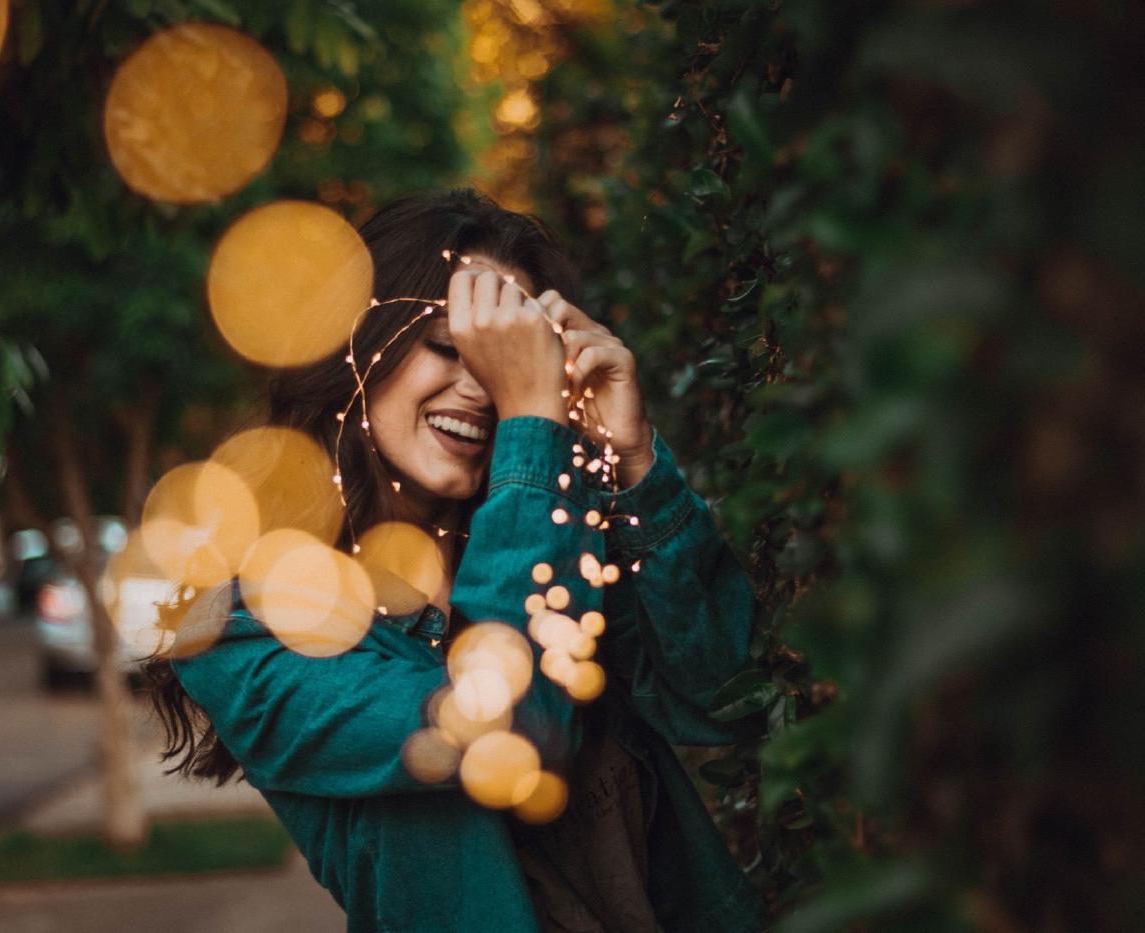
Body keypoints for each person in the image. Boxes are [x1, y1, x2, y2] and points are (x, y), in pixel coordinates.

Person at [144, 189, 765, 932]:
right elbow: (507, 726)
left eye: (509, 362)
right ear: (357, 346)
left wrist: (633, 461)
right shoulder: (250, 624)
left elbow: (729, 695)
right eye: (449, 345)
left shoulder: (557, 533)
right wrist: (536, 421)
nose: (482, 388)